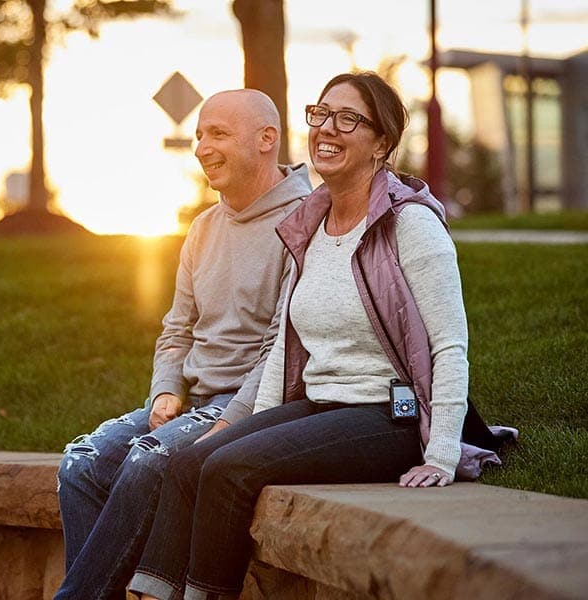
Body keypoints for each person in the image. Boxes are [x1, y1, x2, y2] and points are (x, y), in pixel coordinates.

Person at [128, 71, 508, 600]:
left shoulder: (410, 225)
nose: (328, 128)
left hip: (389, 413)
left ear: (382, 143)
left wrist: (441, 453)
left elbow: (449, 344)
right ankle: (151, 593)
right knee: (191, 458)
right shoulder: (311, 224)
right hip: (321, 402)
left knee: (228, 470)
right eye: (321, 114)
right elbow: (284, 345)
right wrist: (241, 425)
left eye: (349, 118)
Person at [54, 88, 312, 600]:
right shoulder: (203, 227)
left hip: (245, 403)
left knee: (148, 460)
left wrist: (229, 421)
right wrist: (165, 390)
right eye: (199, 135)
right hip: (190, 398)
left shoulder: (303, 224)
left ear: (267, 140)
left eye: (217, 133)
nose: (201, 147)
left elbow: (283, 346)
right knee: (81, 463)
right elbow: (177, 329)